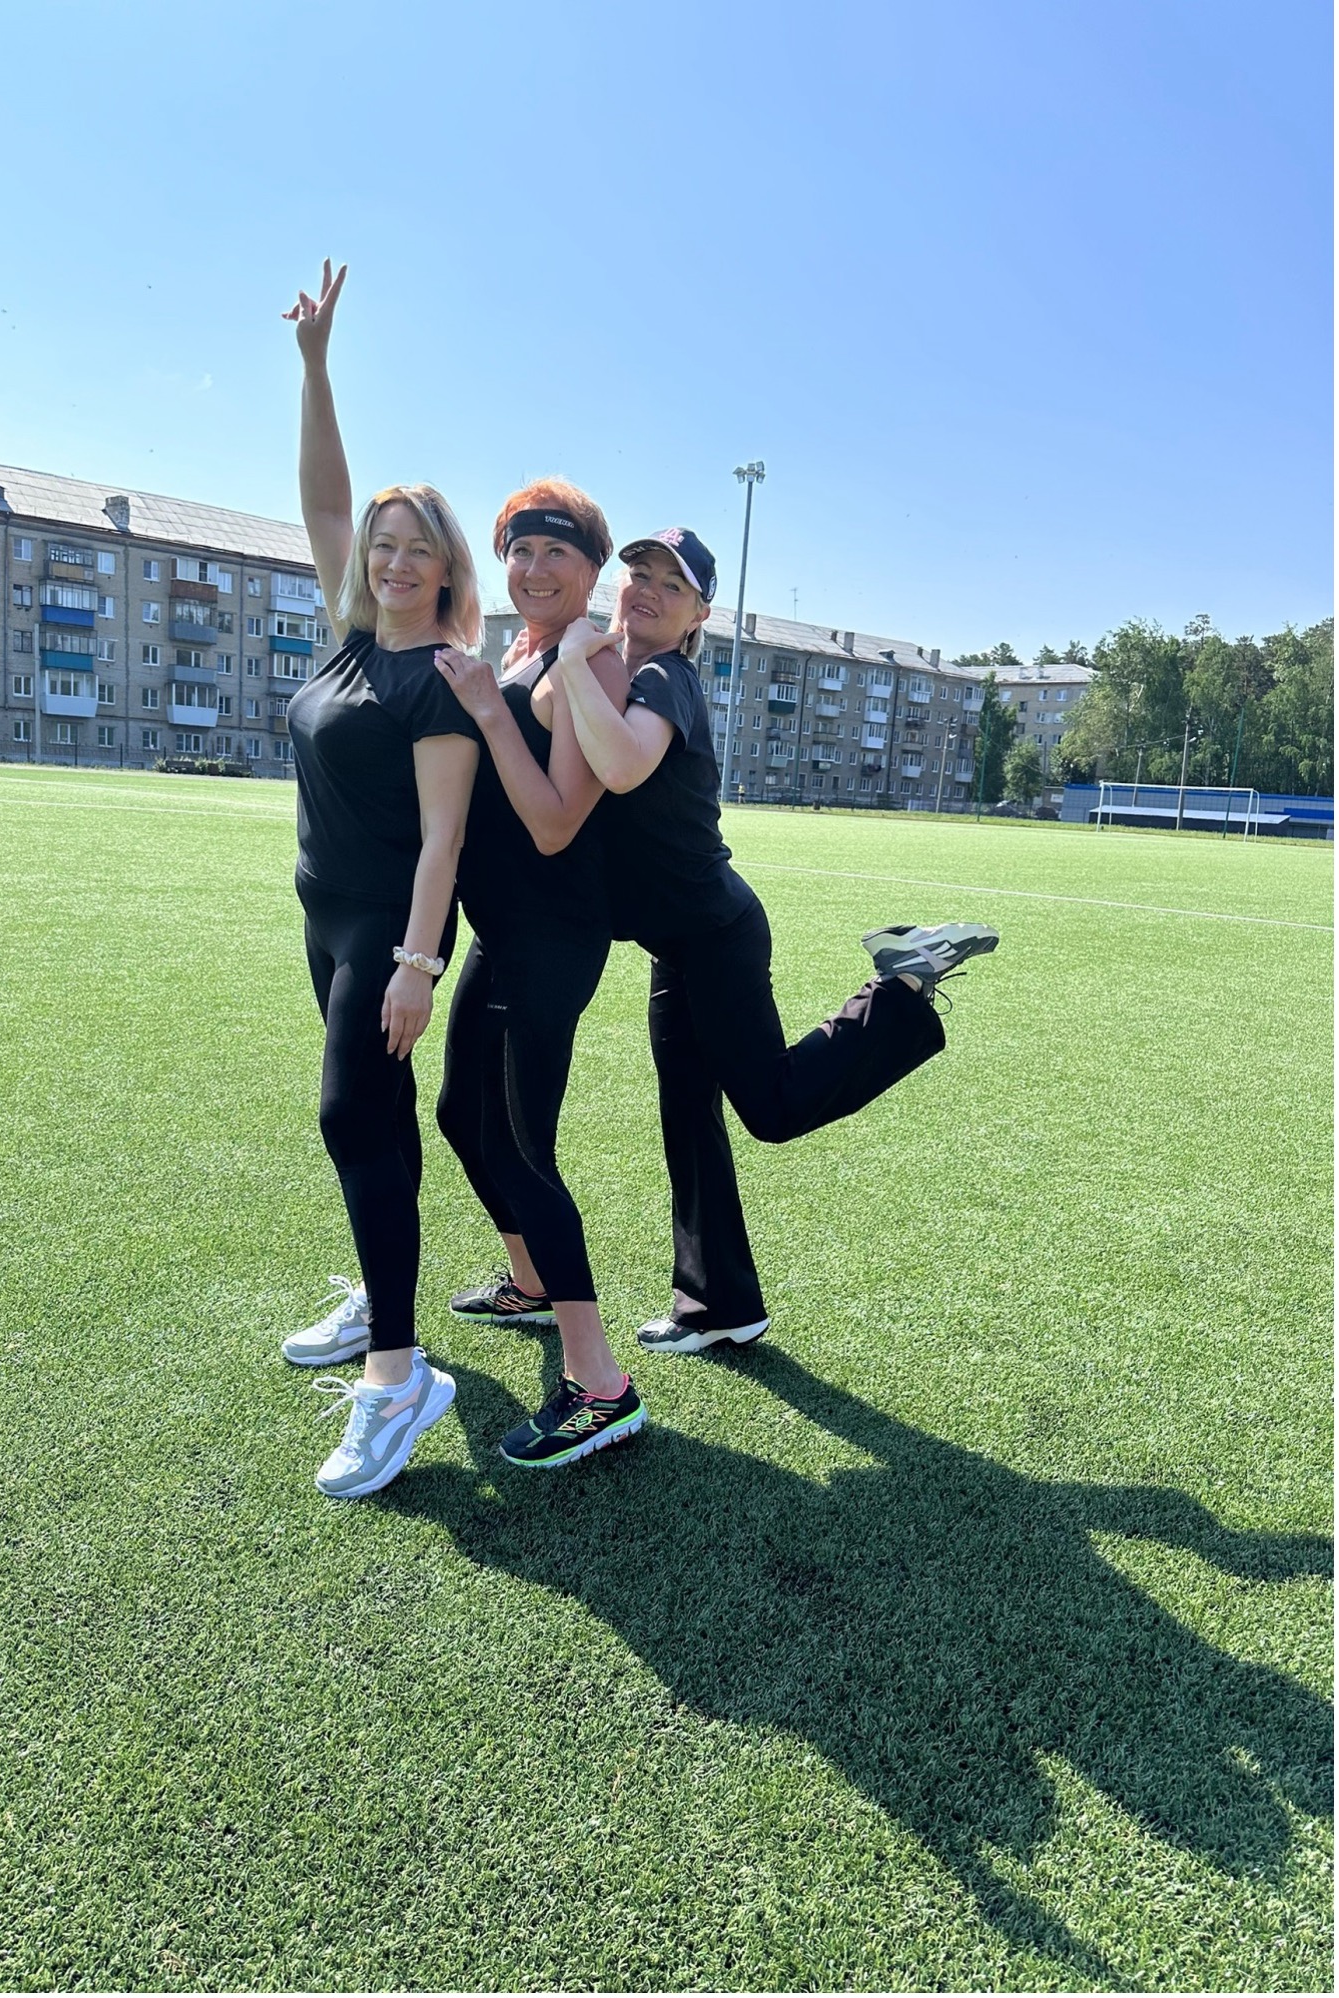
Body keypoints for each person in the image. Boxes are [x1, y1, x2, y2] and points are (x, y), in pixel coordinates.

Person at [552, 527, 999, 1353]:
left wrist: (571, 661)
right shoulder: (614, 671)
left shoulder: (665, 678)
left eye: (672, 586)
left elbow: (619, 767)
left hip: (717, 936)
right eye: (639, 573)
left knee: (773, 1108)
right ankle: (720, 1305)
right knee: (688, 1118)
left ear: (698, 616)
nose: (647, 590)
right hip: (677, 943)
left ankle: (900, 986)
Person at [276, 258, 481, 1498]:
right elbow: (323, 496)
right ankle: (380, 1287)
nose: (395, 561)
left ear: (448, 571)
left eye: (418, 551)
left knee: (349, 1113)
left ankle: (397, 1378)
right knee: (379, 1124)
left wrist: (416, 966)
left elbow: (443, 841)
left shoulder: (439, 678)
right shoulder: (352, 639)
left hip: (385, 935)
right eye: (384, 546)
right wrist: (315, 368)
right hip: (325, 915)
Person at [430, 482, 647, 1469]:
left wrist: (487, 709)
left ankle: (600, 1385)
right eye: (520, 551)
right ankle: (529, 1281)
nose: (535, 568)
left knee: (523, 1150)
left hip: (552, 936)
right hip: (501, 931)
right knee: (458, 1117)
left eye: (558, 552)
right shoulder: (522, 649)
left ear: (593, 569)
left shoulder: (587, 663)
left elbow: (558, 822)